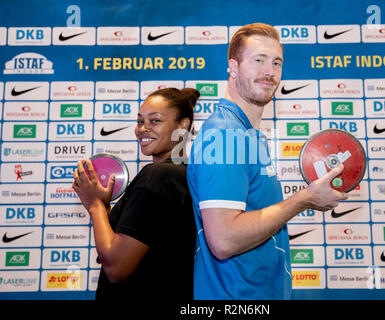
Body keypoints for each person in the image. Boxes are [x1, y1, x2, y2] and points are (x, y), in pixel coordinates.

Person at [187, 23, 348, 300]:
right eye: (258, 60)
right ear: (233, 68)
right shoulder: (226, 135)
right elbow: (223, 240)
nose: (269, 72)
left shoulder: (245, 133)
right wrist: (303, 200)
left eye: (276, 63)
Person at [72, 87, 199, 302]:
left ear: (182, 125)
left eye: (155, 121)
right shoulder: (186, 173)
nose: (143, 129)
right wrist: (105, 208)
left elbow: (116, 267)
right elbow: (152, 242)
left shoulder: (159, 176)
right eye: (140, 121)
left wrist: (94, 206)